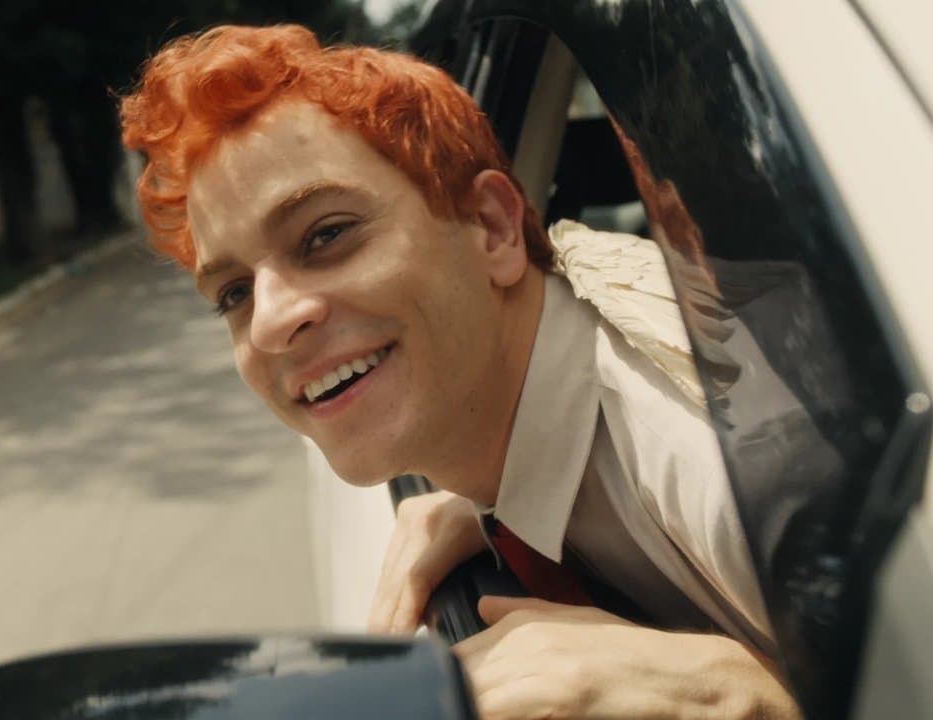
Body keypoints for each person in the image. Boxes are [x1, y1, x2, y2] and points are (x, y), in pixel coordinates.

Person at [119, 24, 801, 719]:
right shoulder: (492, 447)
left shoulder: (721, 464)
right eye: (234, 293)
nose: (269, 322)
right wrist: (490, 506)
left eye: (326, 235)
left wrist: (743, 692)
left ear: (494, 227)